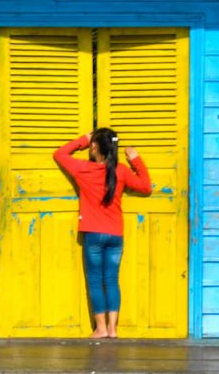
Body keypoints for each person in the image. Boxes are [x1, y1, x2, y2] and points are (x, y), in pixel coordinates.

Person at [53, 128, 152, 338]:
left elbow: (59, 154)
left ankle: (101, 328)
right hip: (116, 234)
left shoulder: (83, 169)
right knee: (112, 280)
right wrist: (136, 159)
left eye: (91, 144)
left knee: (96, 281)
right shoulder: (122, 171)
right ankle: (113, 329)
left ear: (95, 146)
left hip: (94, 234)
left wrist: (83, 139)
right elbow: (146, 187)